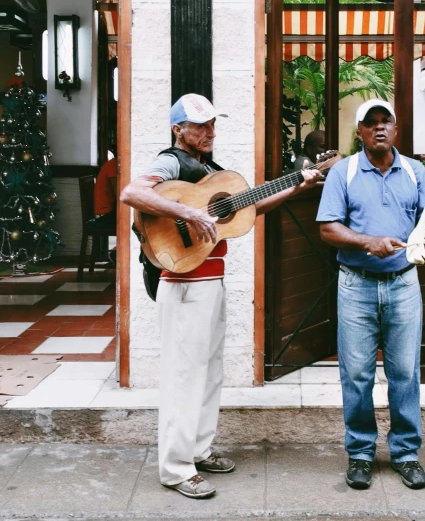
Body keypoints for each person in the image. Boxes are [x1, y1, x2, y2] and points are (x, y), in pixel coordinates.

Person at [119, 93, 322, 500]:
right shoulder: (171, 163)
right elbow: (131, 194)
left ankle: (198, 450)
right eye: (201, 125)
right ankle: (176, 469)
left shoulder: (212, 171)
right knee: (183, 377)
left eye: (213, 124)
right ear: (179, 129)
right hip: (183, 284)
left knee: (210, 372)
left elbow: (251, 209)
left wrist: (296, 184)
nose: (210, 131)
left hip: (211, 281)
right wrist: (188, 213)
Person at [316, 99, 425, 491]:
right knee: (356, 374)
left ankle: (405, 454)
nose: (379, 128)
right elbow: (327, 229)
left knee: (405, 372)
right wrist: (366, 241)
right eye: (370, 123)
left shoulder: (415, 170)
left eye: (385, 121)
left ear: (396, 128)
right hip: (355, 284)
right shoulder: (344, 172)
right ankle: (360, 453)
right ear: (359, 132)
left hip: (404, 283)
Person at [94, 148, 117, 226]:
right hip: (106, 213)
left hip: (109, 211)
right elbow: (118, 194)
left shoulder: (112, 163)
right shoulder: (114, 164)